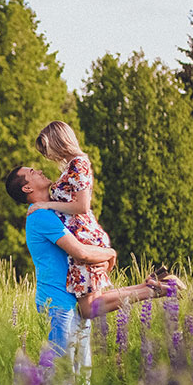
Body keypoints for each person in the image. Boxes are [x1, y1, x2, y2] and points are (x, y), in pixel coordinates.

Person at [4, 165, 176, 364]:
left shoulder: (51, 210)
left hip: (71, 302)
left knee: (80, 377)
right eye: (32, 172)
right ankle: (155, 290)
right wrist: (110, 254)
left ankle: (154, 288)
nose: (39, 170)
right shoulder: (41, 216)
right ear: (27, 188)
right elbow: (81, 252)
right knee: (65, 376)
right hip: (58, 305)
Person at [32, 121, 113, 310]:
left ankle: (150, 288)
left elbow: (82, 206)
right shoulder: (71, 165)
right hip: (78, 236)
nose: (46, 155)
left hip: (84, 236)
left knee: (90, 307)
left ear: (57, 141)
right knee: (90, 306)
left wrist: (46, 204)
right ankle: (151, 286)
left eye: (46, 148)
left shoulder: (78, 164)